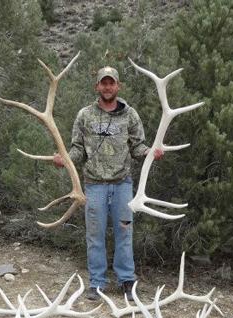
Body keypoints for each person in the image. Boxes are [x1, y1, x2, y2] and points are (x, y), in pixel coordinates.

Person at [53, 66, 163, 301]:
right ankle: (98, 283)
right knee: (95, 235)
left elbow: (137, 147)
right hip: (94, 186)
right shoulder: (85, 115)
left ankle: (126, 281)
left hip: (123, 184)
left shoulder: (130, 115)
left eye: (111, 83)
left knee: (124, 232)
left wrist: (151, 152)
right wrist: (64, 159)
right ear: (97, 87)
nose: (107, 87)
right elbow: (77, 149)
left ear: (118, 86)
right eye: (103, 83)